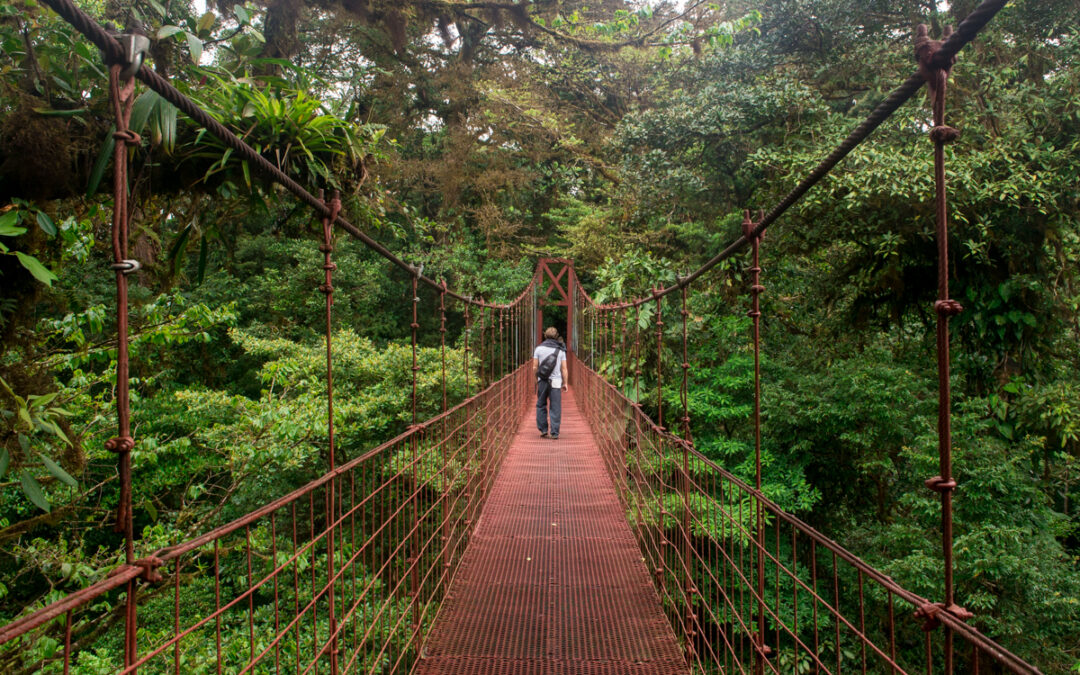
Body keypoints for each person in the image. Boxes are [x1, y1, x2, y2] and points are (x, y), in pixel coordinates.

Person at [533, 326, 569, 439]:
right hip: (556, 382)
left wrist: (536, 380)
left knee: (541, 404)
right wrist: (565, 383)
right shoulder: (560, 350)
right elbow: (564, 369)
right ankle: (554, 432)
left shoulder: (538, 349)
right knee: (555, 406)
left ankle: (543, 430)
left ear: (545, 336)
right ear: (556, 336)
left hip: (542, 381)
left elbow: (535, 367)